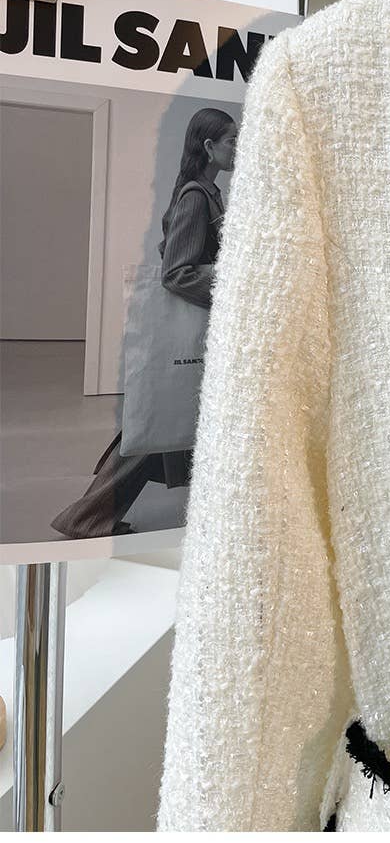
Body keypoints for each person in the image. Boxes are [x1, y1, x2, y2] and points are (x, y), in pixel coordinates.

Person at [50, 108, 237, 539]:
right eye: (232, 140)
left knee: (162, 422)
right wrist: (231, 277)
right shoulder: (197, 197)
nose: (237, 148)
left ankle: (91, 517)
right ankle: (86, 517)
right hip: (196, 334)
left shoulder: (206, 193)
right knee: (156, 424)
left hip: (199, 335)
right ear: (209, 146)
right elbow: (177, 272)